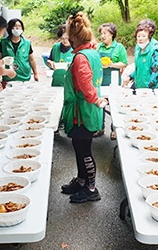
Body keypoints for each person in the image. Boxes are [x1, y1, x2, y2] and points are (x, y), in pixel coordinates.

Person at [61, 12, 107, 203]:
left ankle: (91, 188)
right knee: (79, 146)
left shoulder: (80, 57)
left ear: (73, 38)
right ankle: (81, 180)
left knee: (84, 149)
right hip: (88, 109)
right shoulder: (93, 52)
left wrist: (94, 99)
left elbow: (86, 84)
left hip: (83, 111)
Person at [95, 23, 128, 139]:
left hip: (113, 78)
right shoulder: (98, 47)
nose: (103, 36)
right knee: (99, 103)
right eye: (101, 34)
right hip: (100, 77)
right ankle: (100, 127)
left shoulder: (119, 47)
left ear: (112, 34)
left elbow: (124, 63)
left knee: (113, 104)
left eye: (105, 33)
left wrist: (111, 64)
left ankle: (114, 129)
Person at [122, 23, 158, 89]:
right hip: (139, 86)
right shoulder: (138, 49)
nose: (140, 39)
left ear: (149, 37)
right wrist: (130, 77)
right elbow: (139, 68)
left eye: (144, 36)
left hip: (152, 89)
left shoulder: (154, 50)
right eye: (138, 36)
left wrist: (148, 89)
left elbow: (155, 72)